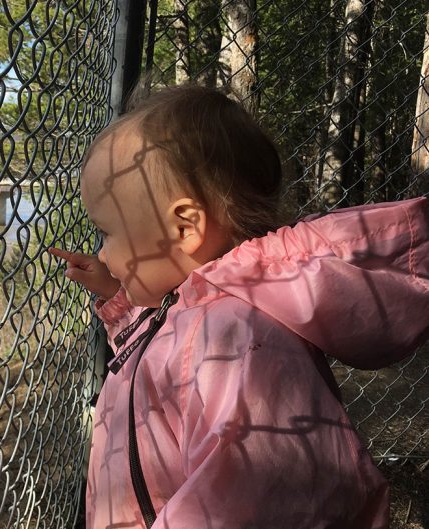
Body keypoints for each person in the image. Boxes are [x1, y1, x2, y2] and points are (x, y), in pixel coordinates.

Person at [49, 84, 429, 529]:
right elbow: (157, 351)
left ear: (185, 227)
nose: (106, 252)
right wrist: (117, 292)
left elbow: (249, 503)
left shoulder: (238, 336)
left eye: (109, 233)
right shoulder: (192, 305)